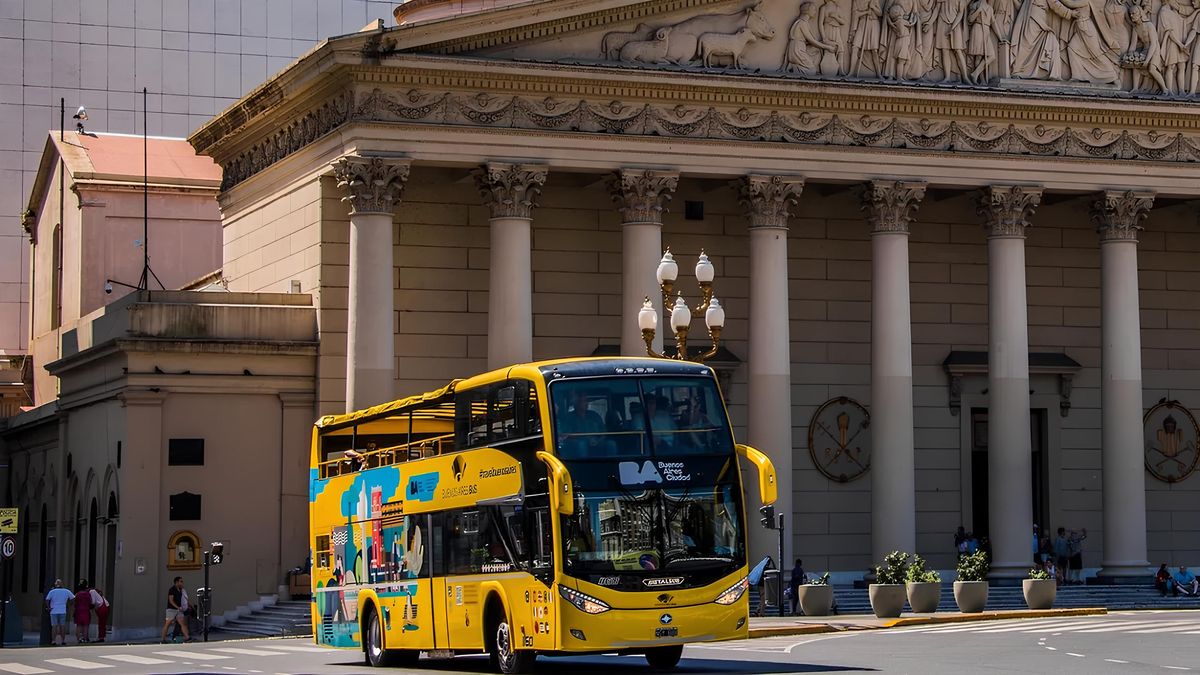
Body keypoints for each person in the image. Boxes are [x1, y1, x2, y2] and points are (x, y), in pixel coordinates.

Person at [161, 576, 193, 643]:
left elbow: (184, 599)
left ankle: (187, 637)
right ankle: (163, 639)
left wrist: (188, 605)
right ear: (176, 582)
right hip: (171, 609)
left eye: (182, 581)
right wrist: (177, 607)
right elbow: (171, 600)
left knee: (182, 624)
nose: (182, 583)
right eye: (181, 581)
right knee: (167, 624)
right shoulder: (172, 589)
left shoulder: (181, 590)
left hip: (179, 610)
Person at [44, 579, 73, 646]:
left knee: (54, 626)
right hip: (63, 610)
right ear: (62, 584)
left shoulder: (52, 591)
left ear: (55, 585)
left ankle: (54, 641)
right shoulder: (66, 591)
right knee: (62, 626)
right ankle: (63, 640)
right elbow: (73, 598)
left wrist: (48, 607)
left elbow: (47, 600)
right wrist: (68, 605)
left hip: (53, 611)